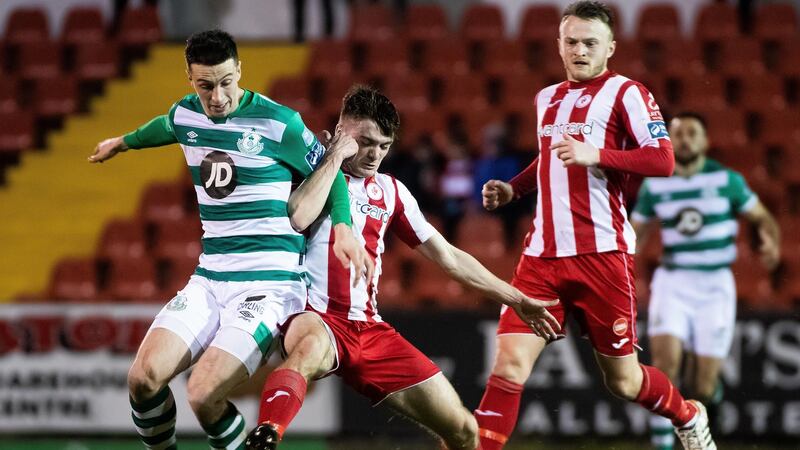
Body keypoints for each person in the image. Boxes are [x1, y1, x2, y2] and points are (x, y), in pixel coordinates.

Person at [87, 29, 370, 450]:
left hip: (268, 285)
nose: (217, 96)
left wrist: (344, 228)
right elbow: (165, 127)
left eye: (225, 82)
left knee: (202, 394)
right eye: (205, 85)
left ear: (239, 70)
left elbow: (331, 177)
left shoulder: (280, 123)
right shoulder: (188, 116)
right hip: (210, 277)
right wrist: (123, 143)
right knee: (143, 380)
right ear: (189, 78)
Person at [244, 85, 561, 450]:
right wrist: (331, 158)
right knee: (307, 350)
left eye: (384, 145)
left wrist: (515, 296)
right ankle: (267, 433)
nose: (374, 154)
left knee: (464, 430)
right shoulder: (306, 171)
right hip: (315, 314)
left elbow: (450, 257)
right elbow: (298, 216)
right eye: (365, 142)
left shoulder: (391, 192)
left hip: (370, 328)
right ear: (342, 130)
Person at [476, 2, 717, 450]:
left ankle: (686, 414)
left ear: (610, 47)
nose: (580, 50)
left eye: (590, 42)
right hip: (541, 258)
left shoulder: (628, 92)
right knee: (508, 366)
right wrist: (514, 189)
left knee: (623, 382)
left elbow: (662, 160)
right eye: (571, 42)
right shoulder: (546, 98)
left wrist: (598, 154)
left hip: (602, 256)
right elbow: (550, 158)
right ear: (559, 46)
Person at [632, 112, 780, 450]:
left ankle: (709, 403)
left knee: (703, 383)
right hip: (673, 281)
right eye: (678, 133)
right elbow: (635, 234)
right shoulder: (656, 184)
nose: (684, 139)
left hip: (715, 286)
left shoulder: (727, 181)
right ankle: (662, 445)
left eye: (691, 133)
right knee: (666, 366)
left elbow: (762, 217)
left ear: (705, 141)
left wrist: (769, 241)